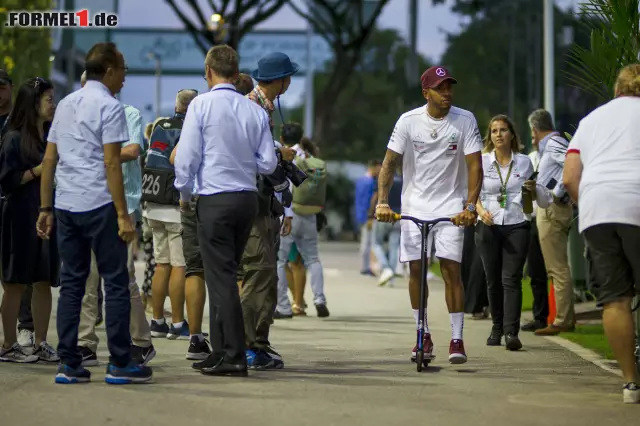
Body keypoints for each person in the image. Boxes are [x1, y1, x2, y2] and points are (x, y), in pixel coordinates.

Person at [37, 42, 152, 384]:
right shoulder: (110, 106)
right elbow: (112, 161)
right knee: (115, 283)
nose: (125, 80)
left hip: (66, 205)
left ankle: (69, 364)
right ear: (110, 70)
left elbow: (49, 160)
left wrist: (45, 208)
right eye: (124, 72)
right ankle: (120, 363)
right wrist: (122, 214)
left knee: (72, 284)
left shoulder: (67, 104)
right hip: (100, 205)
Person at [174, 44, 277, 377]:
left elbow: (187, 157)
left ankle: (233, 354)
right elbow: (268, 162)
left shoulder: (201, 105)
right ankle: (219, 351)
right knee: (227, 274)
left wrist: (185, 193)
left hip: (214, 198)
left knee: (219, 279)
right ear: (236, 72)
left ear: (208, 71)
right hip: (247, 198)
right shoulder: (255, 111)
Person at [376, 66, 483, 365]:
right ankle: (421, 333)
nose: (447, 93)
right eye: (440, 88)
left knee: (451, 270)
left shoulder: (465, 120)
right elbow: (388, 163)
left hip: (452, 208)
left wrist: (470, 207)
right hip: (414, 207)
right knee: (416, 270)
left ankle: (457, 338)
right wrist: (383, 202)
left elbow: (475, 166)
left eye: (449, 87)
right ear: (426, 93)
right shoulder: (408, 121)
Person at [562, 64, 640, 404]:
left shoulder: (591, 120)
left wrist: (589, 207)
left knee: (615, 299)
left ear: (616, 89)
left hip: (597, 208)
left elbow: (569, 177)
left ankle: (631, 384)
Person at [75, 71, 155, 367]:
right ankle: (86, 343)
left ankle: (141, 341)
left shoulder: (128, 113)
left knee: (122, 277)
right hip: (88, 202)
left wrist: (97, 153)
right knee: (88, 278)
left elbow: (133, 149)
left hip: (123, 204)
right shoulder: (79, 117)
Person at [241, 52, 297, 369]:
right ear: (279, 79)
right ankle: (249, 345)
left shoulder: (264, 105)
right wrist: (279, 157)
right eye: (288, 77)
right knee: (258, 271)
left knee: (262, 273)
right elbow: (259, 159)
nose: (289, 82)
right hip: (253, 199)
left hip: (262, 200)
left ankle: (258, 342)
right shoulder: (254, 106)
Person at [475, 114, 548, 351]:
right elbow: (471, 192)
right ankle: (496, 327)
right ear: (490, 136)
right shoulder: (482, 161)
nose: (498, 134)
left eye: (503, 130)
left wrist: (531, 188)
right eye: (494, 131)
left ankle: (510, 332)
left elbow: (531, 194)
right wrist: (480, 211)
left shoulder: (525, 162)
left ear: (512, 135)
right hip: (488, 223)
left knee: (511, 278)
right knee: (493, 279)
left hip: (517, 223)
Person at [0, 77, 59, 363]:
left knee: (43, 280)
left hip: (46, 214)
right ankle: (9, 344)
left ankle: (41, 342)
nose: (53, 104)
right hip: (19, 216)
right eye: (49, 99)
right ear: (34, 103)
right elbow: (8, 181)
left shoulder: (50, 135)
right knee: (14, 283)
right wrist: (40, 170)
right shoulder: (13, 137)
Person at [144, 90, 198, 341]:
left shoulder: (159, 125)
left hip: (152, 202)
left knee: (161, 263)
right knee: (179, 265)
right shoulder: (189, 128)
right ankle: (178, 324)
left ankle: (157, 321)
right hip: (175, 203)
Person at [528, 109, 575, 336]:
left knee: (557, 268)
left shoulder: (554, 143)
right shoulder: (551, 145)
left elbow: (572, 163)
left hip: (553, 210)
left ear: (535, 129)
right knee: (555, 267)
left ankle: (562, 319)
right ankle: (565, 317)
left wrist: (556, 193)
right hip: (550, 209)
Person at [276, 122, 329, 319]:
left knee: (280, 261)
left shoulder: (285, 156)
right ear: (301, 138)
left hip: (290, 213)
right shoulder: (310, 158)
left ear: (282, 139)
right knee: (312, 259)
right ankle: (319, 299)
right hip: (310, 213)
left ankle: (283, 305)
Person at [521, 129, 549, 332]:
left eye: (535, 135)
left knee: (544, 270)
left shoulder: (550, 156)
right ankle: (539, 315)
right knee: (533, 269)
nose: (534, 140)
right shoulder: (530, 159)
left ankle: (543, 316)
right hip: (529, 219)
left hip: (545, 214)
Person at [372, 165, 402, 287]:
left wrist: (370, 213)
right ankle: (392, 277)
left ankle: (386, 268)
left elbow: (375, 197)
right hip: (398, 216)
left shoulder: (383, 180)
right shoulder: (402, 181)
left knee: (376, 243)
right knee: (394, 247)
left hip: (384, 214)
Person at [354, 160, 381, 276]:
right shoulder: (371, 183)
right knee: (369, 242)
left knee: (365, 241)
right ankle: (366, 267)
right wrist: (370, 216)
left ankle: (365, 266)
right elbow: (369, 201)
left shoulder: (359, 181)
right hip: (368, 215)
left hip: (360, 214)